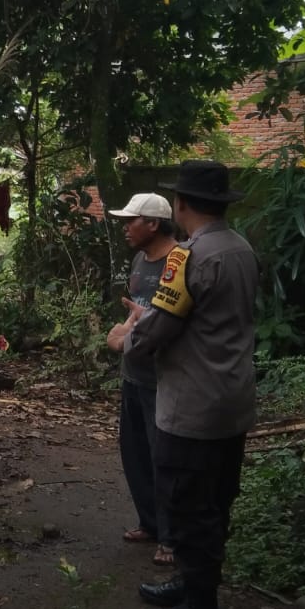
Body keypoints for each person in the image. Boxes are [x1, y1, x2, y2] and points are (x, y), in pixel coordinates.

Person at [121, 160, 258, 609]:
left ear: (180, 207)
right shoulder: (241, 249)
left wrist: (128, 338)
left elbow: (161, 325)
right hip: (233, 397)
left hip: (192, 403)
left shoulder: (188, 257)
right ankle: (188, 583)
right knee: (215, 500)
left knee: (187, 505)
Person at [104, 192, 177, 564]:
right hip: (133, 374)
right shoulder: (139, 259)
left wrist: (134, 327)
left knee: (163, 459)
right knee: (134, 453)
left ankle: (171, 537)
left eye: (131, 221)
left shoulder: (180, 262)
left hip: (164, 380)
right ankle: (149, 524)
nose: (125, 227)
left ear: (153, 223)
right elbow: (138, 314)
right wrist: (128, 326)